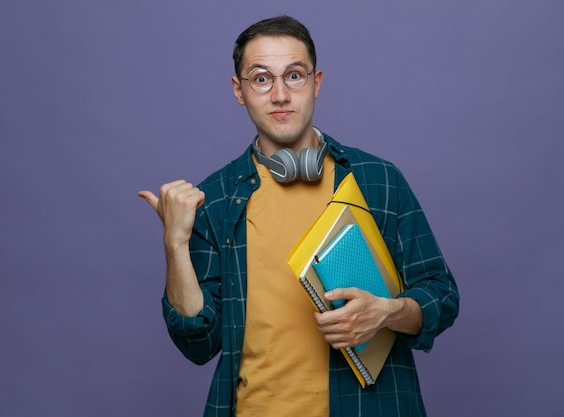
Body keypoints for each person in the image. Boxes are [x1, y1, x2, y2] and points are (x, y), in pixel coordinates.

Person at [139, 15, 459, 417]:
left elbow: (442, 296)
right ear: (239, 90)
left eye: (294, 76)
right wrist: (175, 244)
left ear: (316, 82)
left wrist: (387, 312)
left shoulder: (378, 180)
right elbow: (197, 344)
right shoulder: (216, 199)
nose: (279, 95)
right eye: (261, 79)